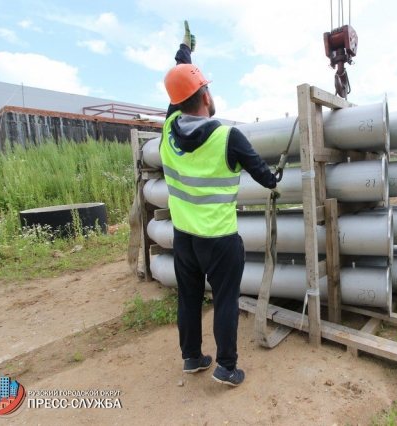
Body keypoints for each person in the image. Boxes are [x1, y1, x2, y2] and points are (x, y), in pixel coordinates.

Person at [159, 21, 278, 387]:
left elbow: (176, 97)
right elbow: (265, 177)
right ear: (206, 96)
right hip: (220, 241)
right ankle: (226, 367)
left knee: (189, 299)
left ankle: (192, 358)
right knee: (225, 300)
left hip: (184, 239)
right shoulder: (229, 136)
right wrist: (276, 179)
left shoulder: (168, 130)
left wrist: (185, 55)